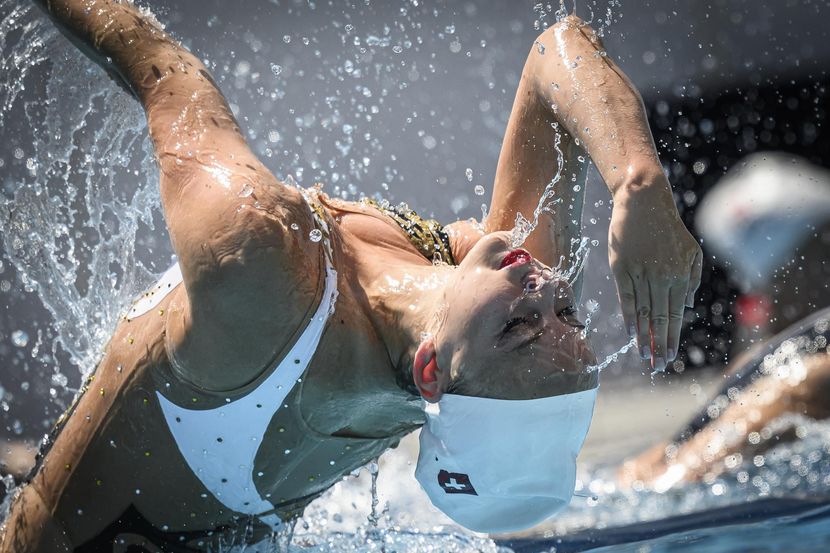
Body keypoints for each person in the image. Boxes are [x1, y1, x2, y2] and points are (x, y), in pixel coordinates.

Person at [1, 1, 701, 550]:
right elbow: (560, 50)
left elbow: (159, 64)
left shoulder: (262, 270)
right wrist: (639, 180)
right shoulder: (482, 313)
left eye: (523, 325)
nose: (545, 289)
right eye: (570, 312)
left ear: (430, 373)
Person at [621, 155, 830, 490]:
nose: (771, 306)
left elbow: (800, 389)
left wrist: (672, 480)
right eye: (769, 287)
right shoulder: (784, 351)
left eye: (782, 282)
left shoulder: (804, 377)